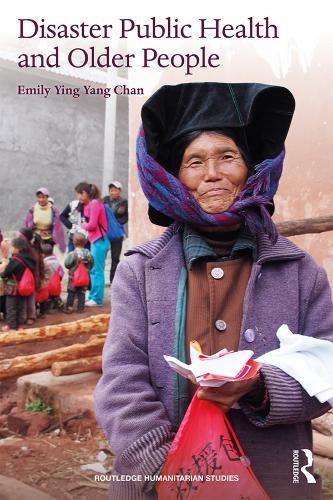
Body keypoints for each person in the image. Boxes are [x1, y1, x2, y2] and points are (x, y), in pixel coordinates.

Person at [94, 83, 333, 500]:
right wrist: (169, 469)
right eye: (194, 162)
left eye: (228, 157)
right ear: (174, 179)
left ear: (253, 169)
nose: (212, 174)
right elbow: (121, 380)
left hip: (281, 477)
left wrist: (260, 386)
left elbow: (326, 369)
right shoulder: (140, 271)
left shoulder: (300, 272)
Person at [75, 182, 109, 306]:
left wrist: (82, 225)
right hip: (97, 240)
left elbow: (92, 225)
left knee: (96, 270)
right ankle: (93, 296)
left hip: (99, 240)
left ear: (85, 193)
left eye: (79, 193)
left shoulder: (95, 204)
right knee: (94, 269)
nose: (78, 197)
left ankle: (97, 298)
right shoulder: (92, 204)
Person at [0, 237, 36, 332]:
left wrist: (2, 273)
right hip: (24, 287)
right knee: (21, 307)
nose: (12, 249)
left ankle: (12, 327)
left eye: (13, 247)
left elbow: (6, 273)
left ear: (18, 248)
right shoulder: (30, 258)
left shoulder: (16, 259)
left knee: (11, 307)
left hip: (13, 287)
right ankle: (20, 325)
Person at [24, 187, 66, 253]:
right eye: (39, 197)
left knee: (48, 258)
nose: (41, 199)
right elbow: (27, 225)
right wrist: (29, 237)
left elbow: (57, 226)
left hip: (49, 239)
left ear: (47, 197)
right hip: (36, 238)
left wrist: (55, 239)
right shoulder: (32, 209)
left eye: (43, 197)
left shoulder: (54, 210)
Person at [103, 181, 128, 284]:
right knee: (102, 256)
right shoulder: (104, 200)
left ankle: (113, 281)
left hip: (117, 233)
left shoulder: (123, 202)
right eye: (112, 190)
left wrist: (117, 224)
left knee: (115, 257)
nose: (113, 192)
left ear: (120, 191)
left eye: (116, 190)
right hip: (104, 232)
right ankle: (101, 280)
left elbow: (126, 216)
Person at [64, 232, 94, 313]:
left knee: (71, 292)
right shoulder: (88, 253)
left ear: (73, 242)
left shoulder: (72, 254)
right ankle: (80, 308)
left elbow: (67, 264)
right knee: (82, 293)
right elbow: (92, 264)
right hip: (85, 278)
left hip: (73, 278)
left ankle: (69, 308)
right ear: (85, 242)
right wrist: (87, 269)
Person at [41, 243, 64, 312]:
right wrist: (59, 278)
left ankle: (47, 309)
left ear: (43, 254)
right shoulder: (57, 262)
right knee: (55, 295)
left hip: (47, 282)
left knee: (48, 296)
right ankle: (59, 305)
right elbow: (61, 272)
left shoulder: (44, 263)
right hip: (56, 282)